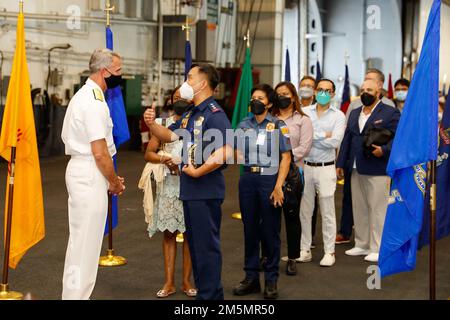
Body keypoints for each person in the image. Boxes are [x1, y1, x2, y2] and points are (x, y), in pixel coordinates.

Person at [144, 64, 232, 300]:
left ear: (202, 83)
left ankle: (212, 298)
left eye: (190, 77)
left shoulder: (215, 114)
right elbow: (170, 135)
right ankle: (206, 296)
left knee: (206, 250)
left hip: (205, 190)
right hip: (191, 191)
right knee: (196, 248)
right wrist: (152, 124)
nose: (186, 82)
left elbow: (226, 151)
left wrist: (197, 171)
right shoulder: (191, 114)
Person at [61, 48, 126, 300]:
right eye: (118, 71)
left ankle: (75, 296)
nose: (121, 76)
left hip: (86, 170)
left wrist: (110, 179)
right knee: (85, 245)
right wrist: (113, 181)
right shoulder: (94, 102)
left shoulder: (86, 95)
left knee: (83, 242)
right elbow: (100, 153)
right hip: (90, 171)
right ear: (104, 71)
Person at [232, 84, 291, 299]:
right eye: (253, 97)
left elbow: (286, 157)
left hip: (269, 179)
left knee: (270, 232)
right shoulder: (243, 124)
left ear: (269, 103)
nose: (255, 101)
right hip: (247, 179)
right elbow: (235, 152)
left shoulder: (278, 125)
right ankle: (251, 278)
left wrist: (278, 186)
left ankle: (271, 280)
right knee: (250, 231)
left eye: (260, 98)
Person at [336, 79, 400, 263]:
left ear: (378, 91)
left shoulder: (390, 112)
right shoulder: (355, 112)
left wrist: (384, 150)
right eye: (363, 89)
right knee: (359, 207)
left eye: (369, 90)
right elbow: (347, 138)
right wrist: (340, 163)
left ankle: (377, 247)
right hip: (355, 167)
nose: (365, 92)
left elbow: (398, 138)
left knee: (378, 209)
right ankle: (362, 244)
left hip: (377, 168)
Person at [144, 86, 197, 299]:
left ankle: (186, 281)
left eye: (183, 98)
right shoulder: (163, 125)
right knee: (169, 233)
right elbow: (149, 153)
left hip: (191, 184)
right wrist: (163, 159)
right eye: (175, 97)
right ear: (170, 101)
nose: (179, 100)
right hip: (169, 186)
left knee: (190, 235)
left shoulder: (197, 125)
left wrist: (184, 163)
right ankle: (169, 282)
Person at [299, 79, 346, 267]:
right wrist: (322, 135)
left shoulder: (339, 116)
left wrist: (313, 137)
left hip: (326, 168)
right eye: (320, 90)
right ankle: (304, 249)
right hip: (307, 167)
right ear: (315, 91)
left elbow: (334, 142)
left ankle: (329, 251)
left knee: (327, 212)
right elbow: (302, 138)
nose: (323, 93)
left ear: (333, 94)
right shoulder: (304, 112)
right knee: (305, 211)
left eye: (328, 90)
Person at [273, 82, 313, 275]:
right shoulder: (270, 119)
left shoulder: (302, 120)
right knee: (270, 218)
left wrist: (283, 156)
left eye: (286, 94)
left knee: (291, 216)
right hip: (271, 173)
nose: (282, 97)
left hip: (293, 174)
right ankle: (268, 256)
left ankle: (292, 258)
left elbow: (304, 148)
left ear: (293, 97)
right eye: (279, 94)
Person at [298, 75, 319, 247]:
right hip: (294, 162)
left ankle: (309, 238)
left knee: (311, 202)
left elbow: (318, 136)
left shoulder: (318, 109)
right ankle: (298, 235)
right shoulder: (293, 106)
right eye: (303, 85)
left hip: (312, 161)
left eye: (309, 86)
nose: (305, 88)